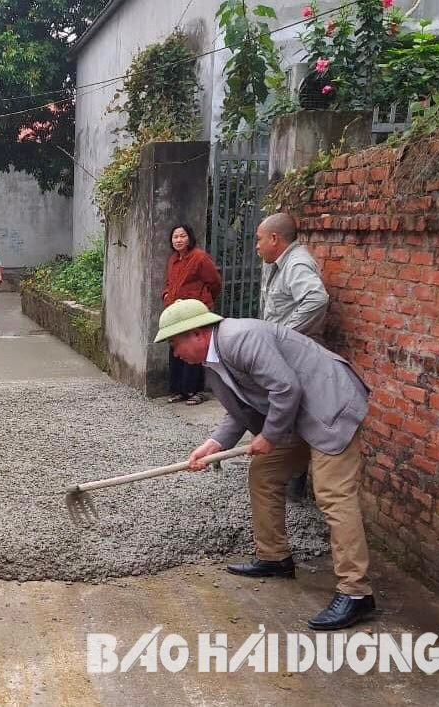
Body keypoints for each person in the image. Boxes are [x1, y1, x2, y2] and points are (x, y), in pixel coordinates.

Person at [156, 299, 375, 630]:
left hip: (329, 407)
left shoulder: (240, 338)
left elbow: (285, 387)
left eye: (175, 343)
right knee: (265, 473)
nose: (175, 353)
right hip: (298, 416)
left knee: (333, 495)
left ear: (197, 334)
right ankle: (274, 558)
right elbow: (238, 410)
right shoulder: (214, 363)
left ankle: (356, 593)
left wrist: (269, 435)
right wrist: (213, 445)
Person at [256, 212, 330, 503]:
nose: (257, 246)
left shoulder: (296, 263)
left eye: (259, 239)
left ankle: (293, 478)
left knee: (294, 413)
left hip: (299, 356)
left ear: (275, 238)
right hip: (287, 354)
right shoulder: (278, 264)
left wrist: (283, 334)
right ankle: (287, 476)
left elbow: (317, 298)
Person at [161, 224, 222, 405]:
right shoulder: (173, 260)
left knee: (195, 349)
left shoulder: (199, 257)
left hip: (195, 312)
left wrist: (202, 300)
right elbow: (169, 283)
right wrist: (166, 296)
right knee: (177, 349)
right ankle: (178, 389)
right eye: (175, 237)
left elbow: (214, 282)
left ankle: (196, 390)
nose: (178, 240)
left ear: (190, 238)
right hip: (176, 312)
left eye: (182, 236)